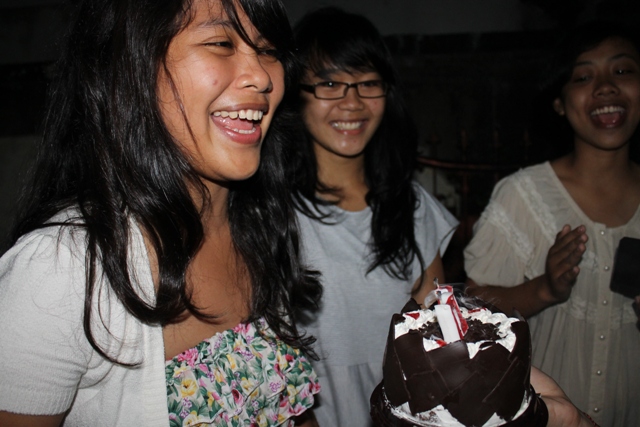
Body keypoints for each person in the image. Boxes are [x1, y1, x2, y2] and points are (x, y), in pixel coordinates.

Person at [0, 0, 322, 426]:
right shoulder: (62, 268)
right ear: (132, 68)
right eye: (221, 43)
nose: (262, 76)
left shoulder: (260, 226)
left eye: (268, 50)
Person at [464, 21, 640, 426]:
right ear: (560, 102)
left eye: (622, 70)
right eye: (583, 76)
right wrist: (544, 289)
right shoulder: (523, 196)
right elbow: (472, 305)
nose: (605, 87)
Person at [289, 8, 459, 426]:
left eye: (368, 83)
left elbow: (438, 330)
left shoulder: (413, 207)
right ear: (296, 93)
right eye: (330, 83)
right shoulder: (271, 212)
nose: (352, 102)